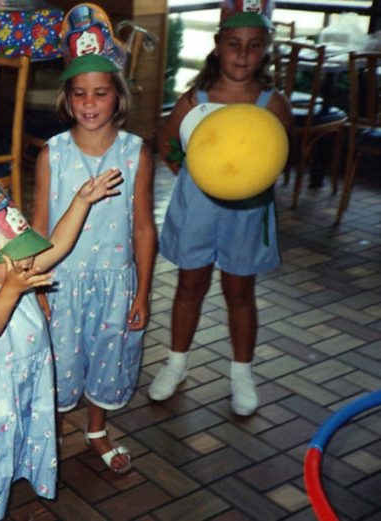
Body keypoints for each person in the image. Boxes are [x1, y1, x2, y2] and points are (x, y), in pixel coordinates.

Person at [0, 170, 122, 521]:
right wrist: (13, 289)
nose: (29, 258)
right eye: (16, 253)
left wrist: (81, 201)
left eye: (26, 249)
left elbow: (58, 245)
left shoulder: (18, 273)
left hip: (14, 400)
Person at [150, 0, 292, 416]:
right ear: (218, 46)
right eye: (234, 44)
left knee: (239, 291)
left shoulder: (272, 104)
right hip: (198, 208)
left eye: (253, 45)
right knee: (189, 286)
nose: (243, 54)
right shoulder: (196, 99)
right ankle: (176, 364)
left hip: (247, 214)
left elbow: (283, 154)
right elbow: (167, 142)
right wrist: (195, 177)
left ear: (265, 49)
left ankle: (242, 374)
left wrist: (251, 176)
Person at [31, 3, 156, 475]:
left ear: (117, 95)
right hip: (62, 282)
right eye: (79, 93)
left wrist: (142, 289)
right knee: (60, 363)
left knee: (108, 359)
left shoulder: (135, 154)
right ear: (67, 97)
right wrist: (38, 284)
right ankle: (57, 433)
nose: (89, 103)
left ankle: (97, 427)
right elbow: (40, 226)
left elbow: (143, 226)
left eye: (100, 93)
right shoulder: (52, 155)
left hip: (114, 283)